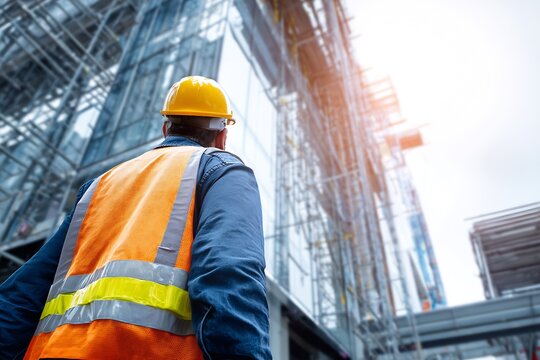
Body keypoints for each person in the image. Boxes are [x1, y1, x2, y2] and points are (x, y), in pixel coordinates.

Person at [0, 76, 272, 360]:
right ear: (222, 137)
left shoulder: (98, 186)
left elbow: (22, 295)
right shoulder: (222, 170)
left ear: (166, 128)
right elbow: (229, 274)